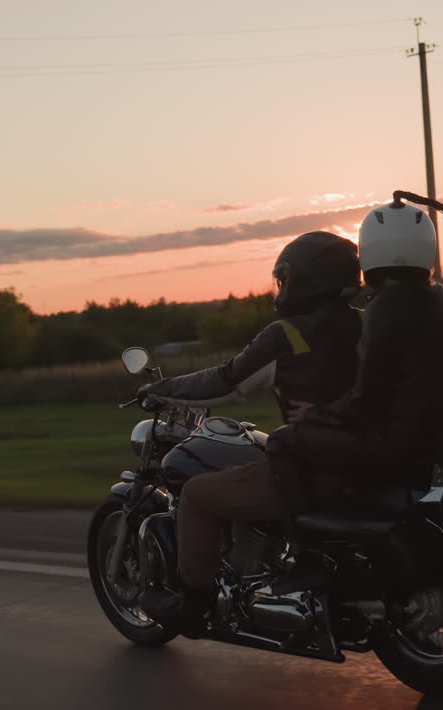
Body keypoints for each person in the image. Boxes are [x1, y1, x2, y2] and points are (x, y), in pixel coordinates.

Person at [136, 231, 362, 632]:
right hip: (364, 461)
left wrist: (162, 389)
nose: (282, 288)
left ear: (304, 280)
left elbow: (225, 380)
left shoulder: (288, 335)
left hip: (312, 470)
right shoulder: (366, 326)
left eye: (285, 279)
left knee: (197, 494)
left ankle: (195, 604)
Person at [271, 197, 443, 518]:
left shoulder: (385, 307)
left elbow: (366, 399)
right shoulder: (437, 295)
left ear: (371, 252)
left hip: (398, 443)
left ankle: (306, 539)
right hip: (438, 430)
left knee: (283, 441)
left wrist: (317, 415)